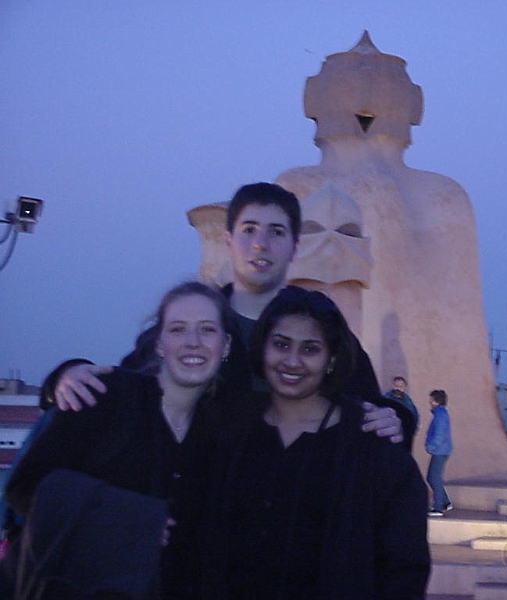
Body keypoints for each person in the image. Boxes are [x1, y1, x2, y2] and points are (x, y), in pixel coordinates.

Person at [38, 183, 404, 441]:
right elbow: (129, 385)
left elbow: (369, 404)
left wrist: (396, 417)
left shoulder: (319, 325)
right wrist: (66, 376)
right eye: (249, 230)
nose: (261, 243)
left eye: (276, 232)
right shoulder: (194, 323)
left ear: (295, 247)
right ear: (229, 241)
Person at [3, 281, 235, 599]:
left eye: (207, 330)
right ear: (159, 343)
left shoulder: (215, 436)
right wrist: (133, 520)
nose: (192, 342)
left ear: (226, 346)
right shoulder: (106, 395)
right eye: (178, 329)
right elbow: (23, 488)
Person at [200, 286, 430, 599]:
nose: (292, 361)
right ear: (262, 347)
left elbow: (404, 570)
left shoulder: (373, 453)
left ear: (331, 359)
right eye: (281, 344)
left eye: (310, 349)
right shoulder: (230, 435)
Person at [425, 389, 453, 517]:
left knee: (433, 477)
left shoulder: (440, 415)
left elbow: (439, 435)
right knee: (434, 477)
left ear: (436, 401)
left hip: (439, 451)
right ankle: (445, 502)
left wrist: (431, 446)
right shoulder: (440, 414)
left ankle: (438, 507)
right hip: (441, 450)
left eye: (431, 400)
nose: (429, 402)